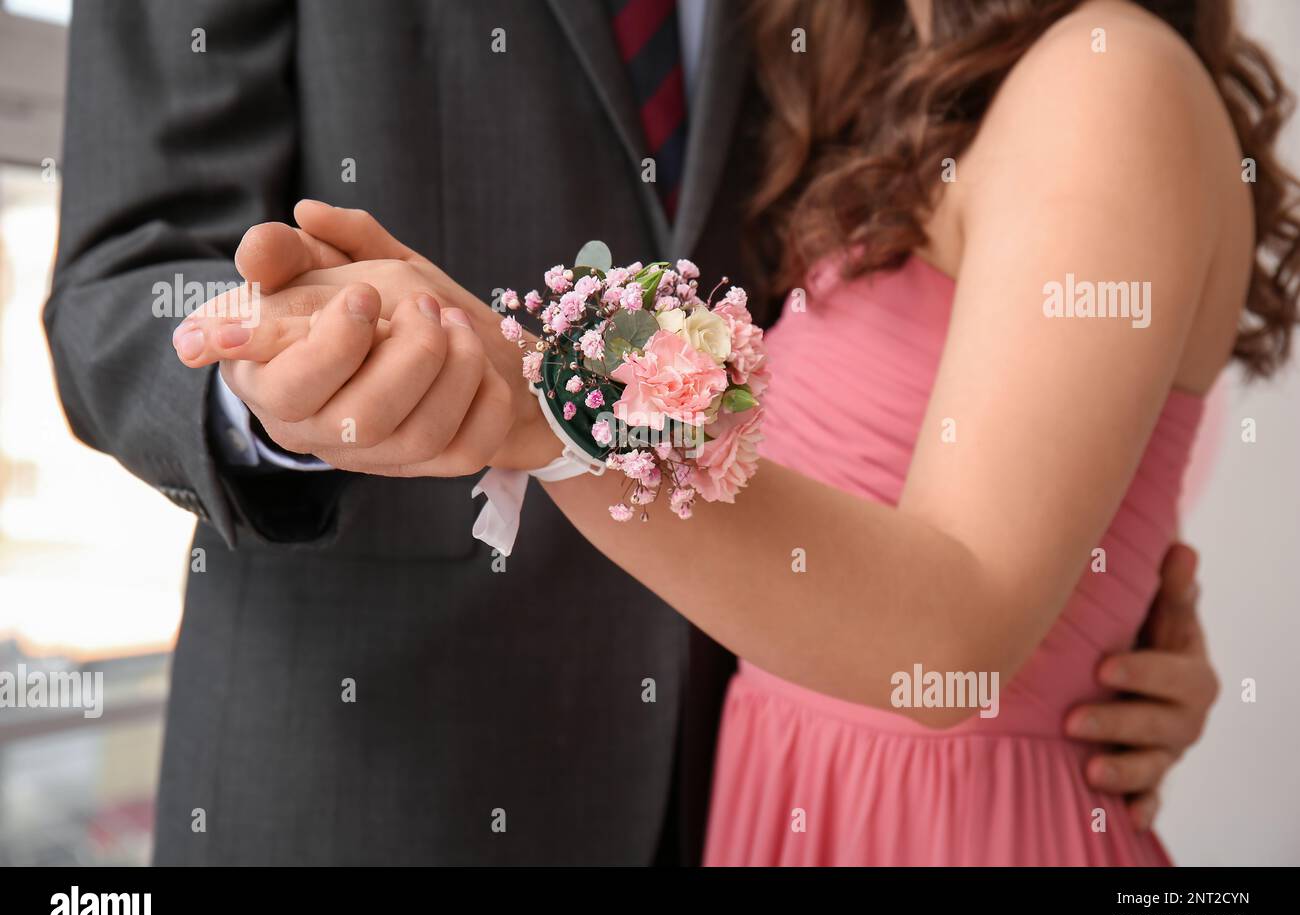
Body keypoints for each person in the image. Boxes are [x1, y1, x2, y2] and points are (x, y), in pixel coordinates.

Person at [52, 0, 1218, 865]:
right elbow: (127, 275)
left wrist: (1081, 612)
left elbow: (965, 549)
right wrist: (284, 384)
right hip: (378, 782)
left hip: (759, 783)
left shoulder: (1004, 69)